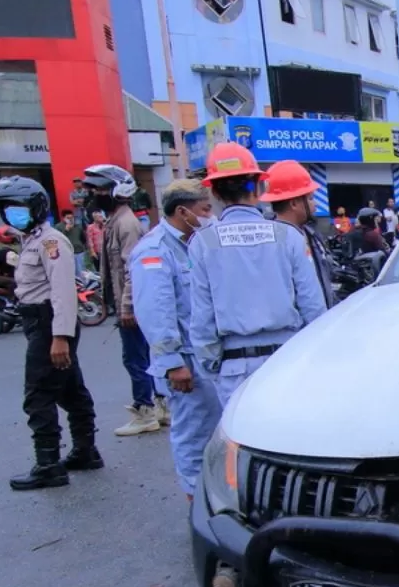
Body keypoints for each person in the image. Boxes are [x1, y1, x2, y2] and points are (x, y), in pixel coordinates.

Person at [189, 142, 328, 405]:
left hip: (234, 367)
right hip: (287, 358)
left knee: (241, 442)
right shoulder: (288, 236)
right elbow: (313, 307)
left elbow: (202, 318)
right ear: (257, 186)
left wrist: (212, 366)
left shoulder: (202, 243)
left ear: (215, 194)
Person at [0, 176, 101, 490]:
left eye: (17, 208)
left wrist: (60, 336)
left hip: (49, 322)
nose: (12, 215)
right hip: (40, 320)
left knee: (38, 394)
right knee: (70, 390)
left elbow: (63, 290)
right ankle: (85, 451)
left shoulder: (52, 242)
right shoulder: (32, 239)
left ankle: (48, 464)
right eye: (6, 209)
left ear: (36, 207)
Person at [129, 180, 223, 499]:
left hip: (209, 355)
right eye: (205, 209)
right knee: (194, 435)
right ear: (182, 211)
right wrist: (171, 363)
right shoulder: (154, 251)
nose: (211, 215)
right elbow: (155, 312)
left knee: (218, 433)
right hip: (186, 362)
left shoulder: (197, 243)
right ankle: (195, 503)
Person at [81, 164, 162, 437]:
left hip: (132, 304)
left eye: (100, 189)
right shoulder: (115, 221)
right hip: (128, 301)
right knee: (143, 355)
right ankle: (158, 405)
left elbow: (130, 269)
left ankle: (145, 410)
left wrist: (127, 307)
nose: (94, 195)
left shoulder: (125, 224)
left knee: (135, 358)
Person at [260, 160, 337, 308]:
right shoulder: (273, 241)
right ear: (294, 204)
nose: (316, 205)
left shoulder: (309, 233)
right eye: (311, 198)